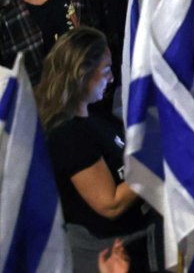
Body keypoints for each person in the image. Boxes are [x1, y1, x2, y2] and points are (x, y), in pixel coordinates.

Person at [39, 28, 156, 270]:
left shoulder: (95, 118)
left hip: (136, 242)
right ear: (81, 74)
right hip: (107, 256)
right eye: (105, 71)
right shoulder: (66, 134)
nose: (112, 78)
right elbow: (110, 203)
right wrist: (155, 163)